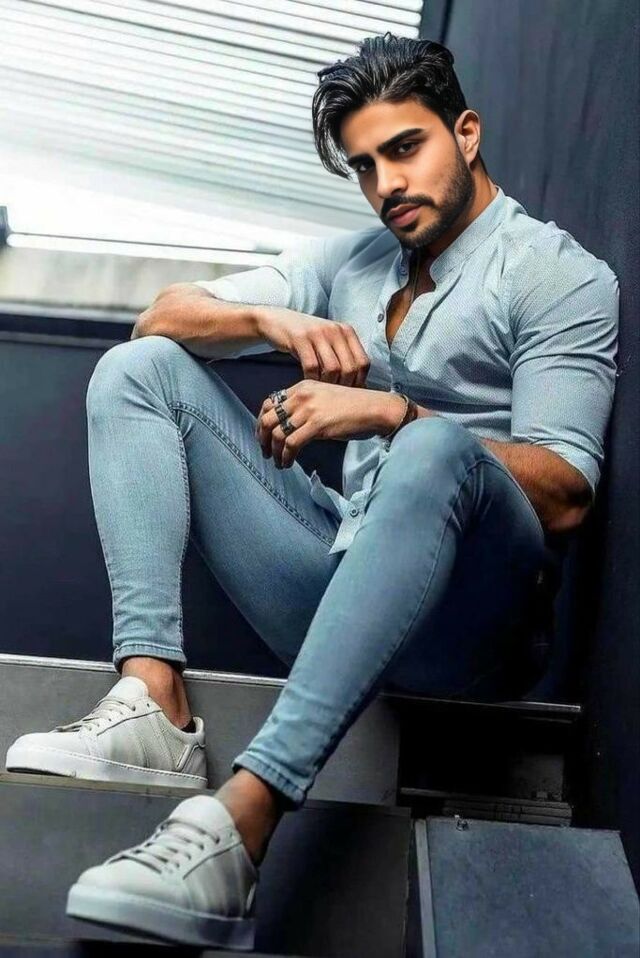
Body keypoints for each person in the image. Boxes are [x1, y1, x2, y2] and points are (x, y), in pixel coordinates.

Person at [5, 32, 619, 951]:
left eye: (405, 149)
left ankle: (242, 818)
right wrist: (270, 318)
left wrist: (388, 414)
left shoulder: (555, 273)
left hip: (471, 635)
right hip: (337, 583)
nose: (387, 184)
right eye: (365, 166)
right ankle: (153, 695)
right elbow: (159, 316)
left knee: (433, 448)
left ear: (466, 133)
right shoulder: (354, 263)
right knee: (140, 370)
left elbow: (566, 491)